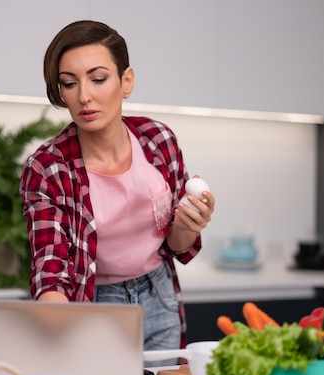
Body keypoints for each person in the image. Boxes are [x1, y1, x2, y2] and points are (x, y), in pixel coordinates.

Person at [19, 20, 215, 356]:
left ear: (126, 81)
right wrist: (57, 328)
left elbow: (176, 247)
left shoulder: (159, 141)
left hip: (159, 295)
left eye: (98, 79)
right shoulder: (48, 167)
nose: (84, 96)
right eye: (69, 83)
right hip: (95, 302)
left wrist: (185, 225)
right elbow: (49, 268)